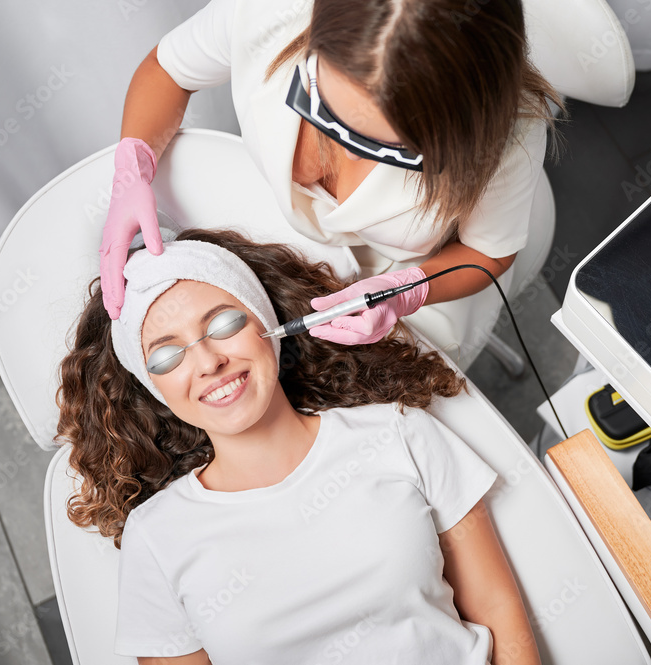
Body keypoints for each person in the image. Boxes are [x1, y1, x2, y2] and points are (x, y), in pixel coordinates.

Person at [58, 228, 541, 664]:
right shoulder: (156, 536)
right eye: (167, 354)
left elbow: (499, 611)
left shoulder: (399, 436)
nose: (208, 362)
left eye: (224, 325)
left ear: (269, 325)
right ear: (153, 387)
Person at [99, 0, 562, 368]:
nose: (348, 152)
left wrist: (405, 292)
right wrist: (134, 165)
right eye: (323, 110)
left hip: (418, 267)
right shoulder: (270, 9)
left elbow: (489, 253)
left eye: (390, 150)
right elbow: (168, 71)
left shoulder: (512, 133)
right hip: (286, 232)